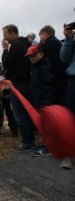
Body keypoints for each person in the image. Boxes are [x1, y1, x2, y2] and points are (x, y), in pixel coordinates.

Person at [2, 24, 35, 151]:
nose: (4, 38)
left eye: (5, 34)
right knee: (27, 112)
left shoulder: (16, 45)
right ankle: (30, 139)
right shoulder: (25, 43)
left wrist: (5, 49)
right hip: (28, 82)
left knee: (20, 113)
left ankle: (27, 141)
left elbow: (6, 63)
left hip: (19, 84)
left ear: (12, 33)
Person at [25, 45, 55, 157]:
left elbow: (48, 86)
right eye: (30, 57)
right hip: (38, 100)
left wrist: (46, 103)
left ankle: (48, 148)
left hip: (45, 102)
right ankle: (45, 144)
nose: (32, 58)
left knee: (47, 126)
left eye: (34, 55)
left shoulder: (44, 67)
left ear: (41, 54)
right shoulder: (35, 66)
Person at [39, 25, 68, 106]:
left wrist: (39, 45)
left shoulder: (50, 43)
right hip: (60, 76)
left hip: (56, 77)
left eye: (40, 36)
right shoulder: (56, 42)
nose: (40, 39)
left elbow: (38, 55)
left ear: (45, 34)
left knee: (58, 102)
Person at [59, 22, 75, 169]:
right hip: (73, 80)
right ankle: (68, 154)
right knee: (70, 117)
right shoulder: (72, 36)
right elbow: (64, 58)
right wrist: (69, 39)